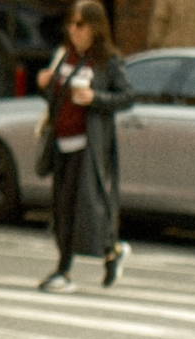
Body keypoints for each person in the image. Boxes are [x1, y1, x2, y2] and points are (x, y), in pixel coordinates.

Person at [35, 0, 134, 294]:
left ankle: (76, 265)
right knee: (62, 207)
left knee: (87, 207)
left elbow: (127, 96)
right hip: (61, 144)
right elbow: (55, 101)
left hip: (89, 146)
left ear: (95, 27)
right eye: (71, 24)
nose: (73, 30)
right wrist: (46, 85)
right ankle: (89, 260)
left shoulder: (108, 61)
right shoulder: (64, 56)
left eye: (80, 24)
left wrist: (95, 98)